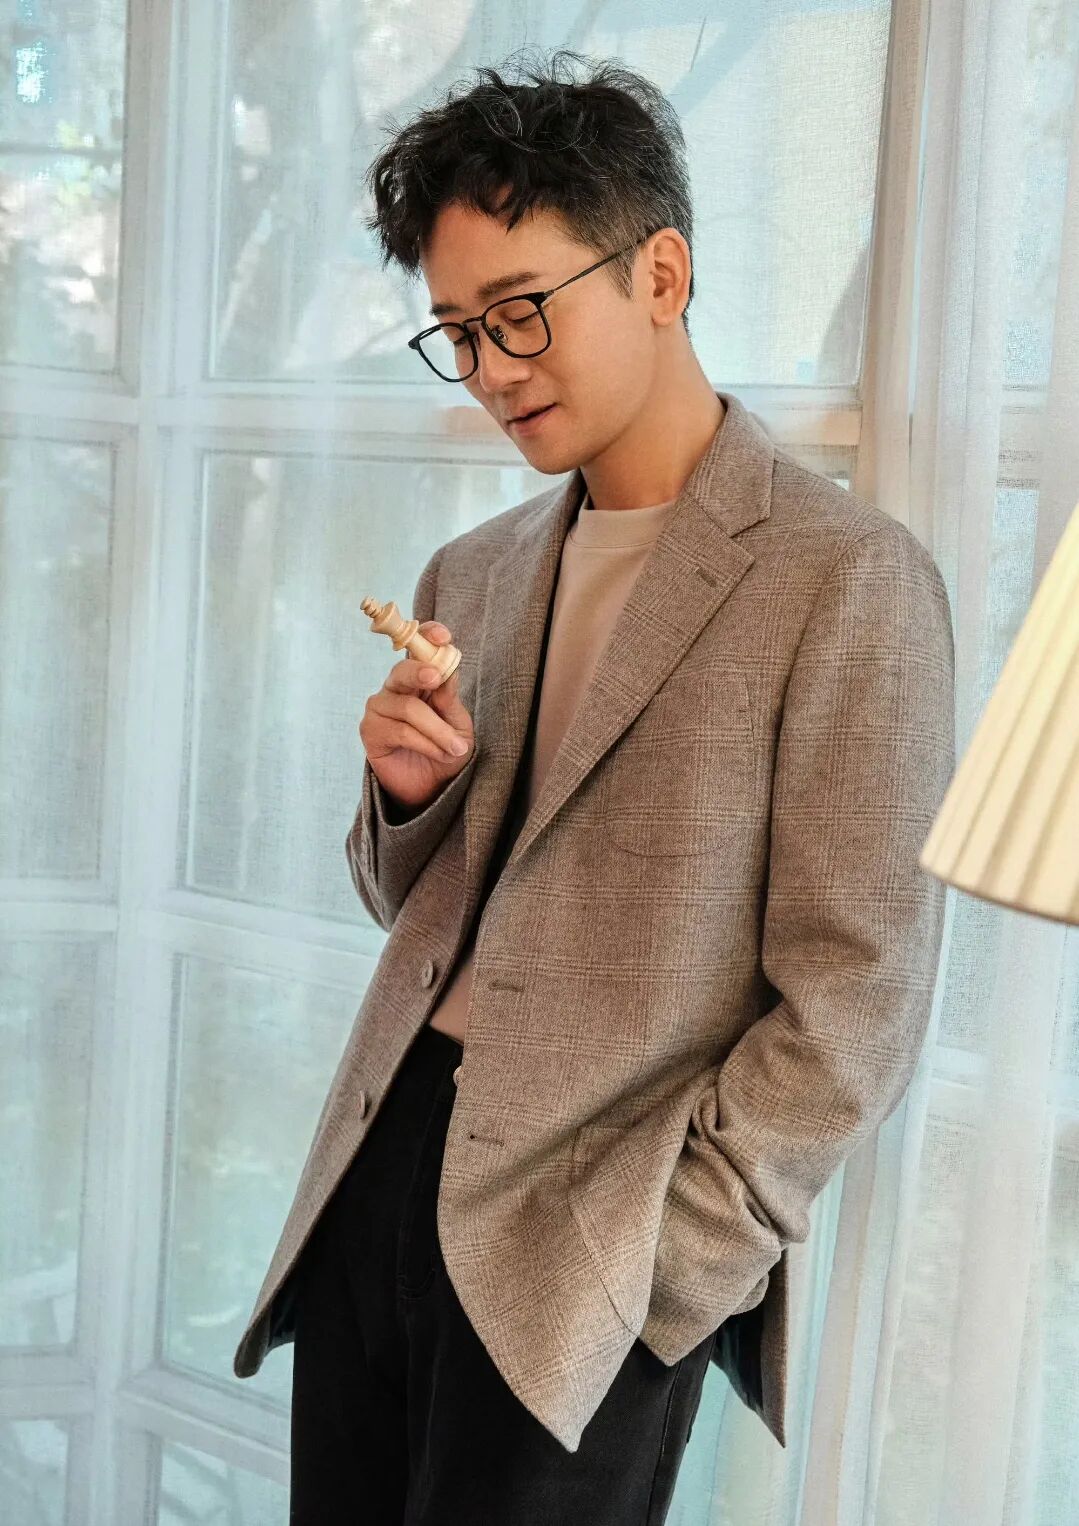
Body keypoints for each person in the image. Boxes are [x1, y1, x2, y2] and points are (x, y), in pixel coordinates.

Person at [232, 49, 955, 1525]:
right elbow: (413, 907)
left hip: (597, 1231)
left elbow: (857, 996)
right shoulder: (476, 571)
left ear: (662, 275)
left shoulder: (846, 578)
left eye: (519, 313)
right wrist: (408, 800)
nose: (492, 370)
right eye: (456, 333)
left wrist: (675, 1264)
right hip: (382, 1161)